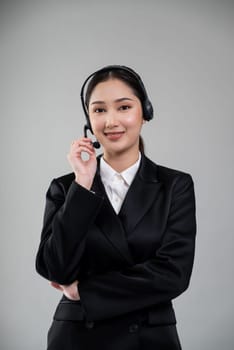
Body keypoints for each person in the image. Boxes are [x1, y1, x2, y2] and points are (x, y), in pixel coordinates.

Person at [35, 65, 196, 350]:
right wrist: (82, 185)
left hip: (150, 336)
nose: (111, 121)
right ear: (88, 119)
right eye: (99, 110)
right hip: (77, 336)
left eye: (123, 107)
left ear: (145, 112)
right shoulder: (66, 188)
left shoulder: (174, 186)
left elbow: (173, 274)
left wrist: (84, 290)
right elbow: (56, 269)